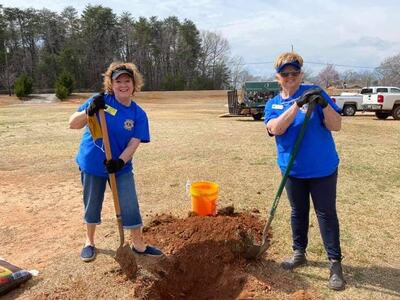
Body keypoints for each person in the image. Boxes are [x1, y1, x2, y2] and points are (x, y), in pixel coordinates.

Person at [264, 52, 345, 290]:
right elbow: (276, 129)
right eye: (285, 73)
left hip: (322, 169)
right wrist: (297, 105)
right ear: (278, 76)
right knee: (298, 212)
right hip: (293, 170)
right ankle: (299, 253)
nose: (290, 77)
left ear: (301, 74)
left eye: (295, 73)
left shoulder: (316, 92)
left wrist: (322, 103)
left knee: (326, 214)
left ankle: (335, 264)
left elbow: (336, 125)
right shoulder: (273, 104)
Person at [69, 62, 163, 262]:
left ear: (134, 84)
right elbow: (73, 124)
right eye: (118, 81)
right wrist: (89, 112)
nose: (123, 85)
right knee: (92, 203)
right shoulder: (100, 101)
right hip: (92, 163)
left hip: (120, 166)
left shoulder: (138, 114)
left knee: (129, 204)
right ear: (111, 84)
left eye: (127, 81)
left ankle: (138, 244)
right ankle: (89, 242)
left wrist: (120, 162)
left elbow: (134, 142)